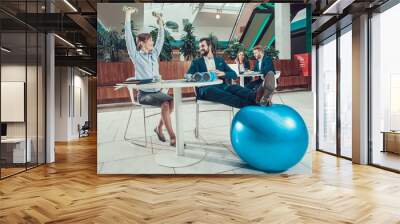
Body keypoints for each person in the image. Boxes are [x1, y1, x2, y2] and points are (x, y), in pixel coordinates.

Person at [124, 7, 176, 146]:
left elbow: (161, 39)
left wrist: (160, 23)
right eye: (149, 41)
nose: (152, 43)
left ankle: (159, 128)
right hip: (144, 95)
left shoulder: (154, 54)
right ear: (141, 43)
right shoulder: (136, 56)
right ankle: (173, 136)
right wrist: (128, 15)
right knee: (165, 104)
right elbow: (128, 39)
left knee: (172, 101)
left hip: (157, 92)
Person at [186, 38, 275, 108]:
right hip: (205, 89)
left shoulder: (219, 60)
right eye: (200, 46)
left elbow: (234, 74)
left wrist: (223, 74)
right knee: (224, 94)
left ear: (209, 47)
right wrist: (200, 77)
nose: (200, 48)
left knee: (235, 87)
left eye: (202, 46)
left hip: (222, 86)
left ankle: (256, 96)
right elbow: (188, 76)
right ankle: (259, 101)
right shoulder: (196, 62)